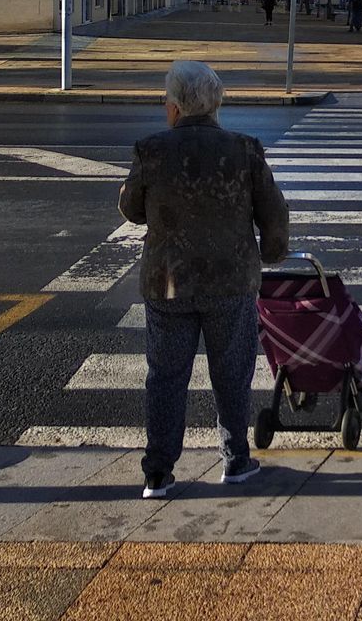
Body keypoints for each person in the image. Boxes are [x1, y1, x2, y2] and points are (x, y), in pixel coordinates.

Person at [119, 61, 290, 499]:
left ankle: (158, 472)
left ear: (176, 108)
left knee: (165, 377)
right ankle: (235, 460)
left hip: (168, 283)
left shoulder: (151, 150)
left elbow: (132, 209)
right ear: (215, 105)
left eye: (165, 102)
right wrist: (271, 254)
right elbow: (274, 215)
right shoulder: (245, 150)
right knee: (232, 374)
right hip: (230, 281)